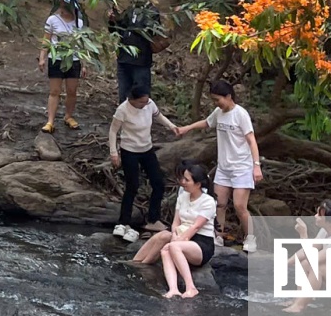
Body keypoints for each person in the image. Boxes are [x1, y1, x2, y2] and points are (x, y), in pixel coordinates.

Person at [177, 78, 262, 251]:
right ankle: (218, 236)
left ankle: (250, 238)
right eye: (214, 100)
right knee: (219, 204)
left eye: (218, 99)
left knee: (239, 206)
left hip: (241, 167)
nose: (216, 103)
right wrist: (188, 128)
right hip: (224, 167)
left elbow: (251, 140)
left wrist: (256, 165)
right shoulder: (218, 112)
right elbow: (207, 123)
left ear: (229, 96)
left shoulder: (240, 114)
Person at [130, 161, 215, 299]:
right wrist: (175, 234)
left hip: (200, 244)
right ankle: (173, 288)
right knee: (165, 248)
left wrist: (178, 240)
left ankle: (191, 287)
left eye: (187, 180)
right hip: (182, 236)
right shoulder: (183, 197)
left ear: (198, 184)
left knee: (173, 246)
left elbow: (196, 226)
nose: (183, 182)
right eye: (183, 179)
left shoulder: (208, 201)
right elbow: (176, 222)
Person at [108, 88, 178, 242]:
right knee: (132, 186)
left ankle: (153, 219)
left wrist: (172, 126)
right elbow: (113, 131)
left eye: (147, 101)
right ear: (132, 99)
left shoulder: (149, 104)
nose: (145, 104)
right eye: (142, 102)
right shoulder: (123, 110)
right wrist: (114, 152)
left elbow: (158, 116)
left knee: (158, 183)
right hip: (129, 150)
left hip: (147, 149)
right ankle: (123, 222)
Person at [284, 201, 331, 313]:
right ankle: (298, 300)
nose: (315, 216)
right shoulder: (326, 231)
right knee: (304, 263)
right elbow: (310, 249)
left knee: (317, 267)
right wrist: (287, 263)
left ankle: (300, 305)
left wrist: (303, 235)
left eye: (319, 215)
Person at [41, 0, 86, 133]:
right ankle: (50, 121)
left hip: (74, 59)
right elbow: (46, 40)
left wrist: (84, 64)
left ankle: (68, 116)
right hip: (57, 58)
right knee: (55, 91)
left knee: (72, 91)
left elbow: (82, 43)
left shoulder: (79, 22)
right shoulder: (52, 20)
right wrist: (42, 57)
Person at [110, 0, 172, 102]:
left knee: (141, 95)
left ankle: (141, 117)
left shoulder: (151, 11)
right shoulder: (129, 10)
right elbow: (117, 30)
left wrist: (130, 28)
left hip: (141, 60)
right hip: (124, 58)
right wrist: (113, 20)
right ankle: (124, 117)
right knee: (123, 95)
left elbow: (149, 31)